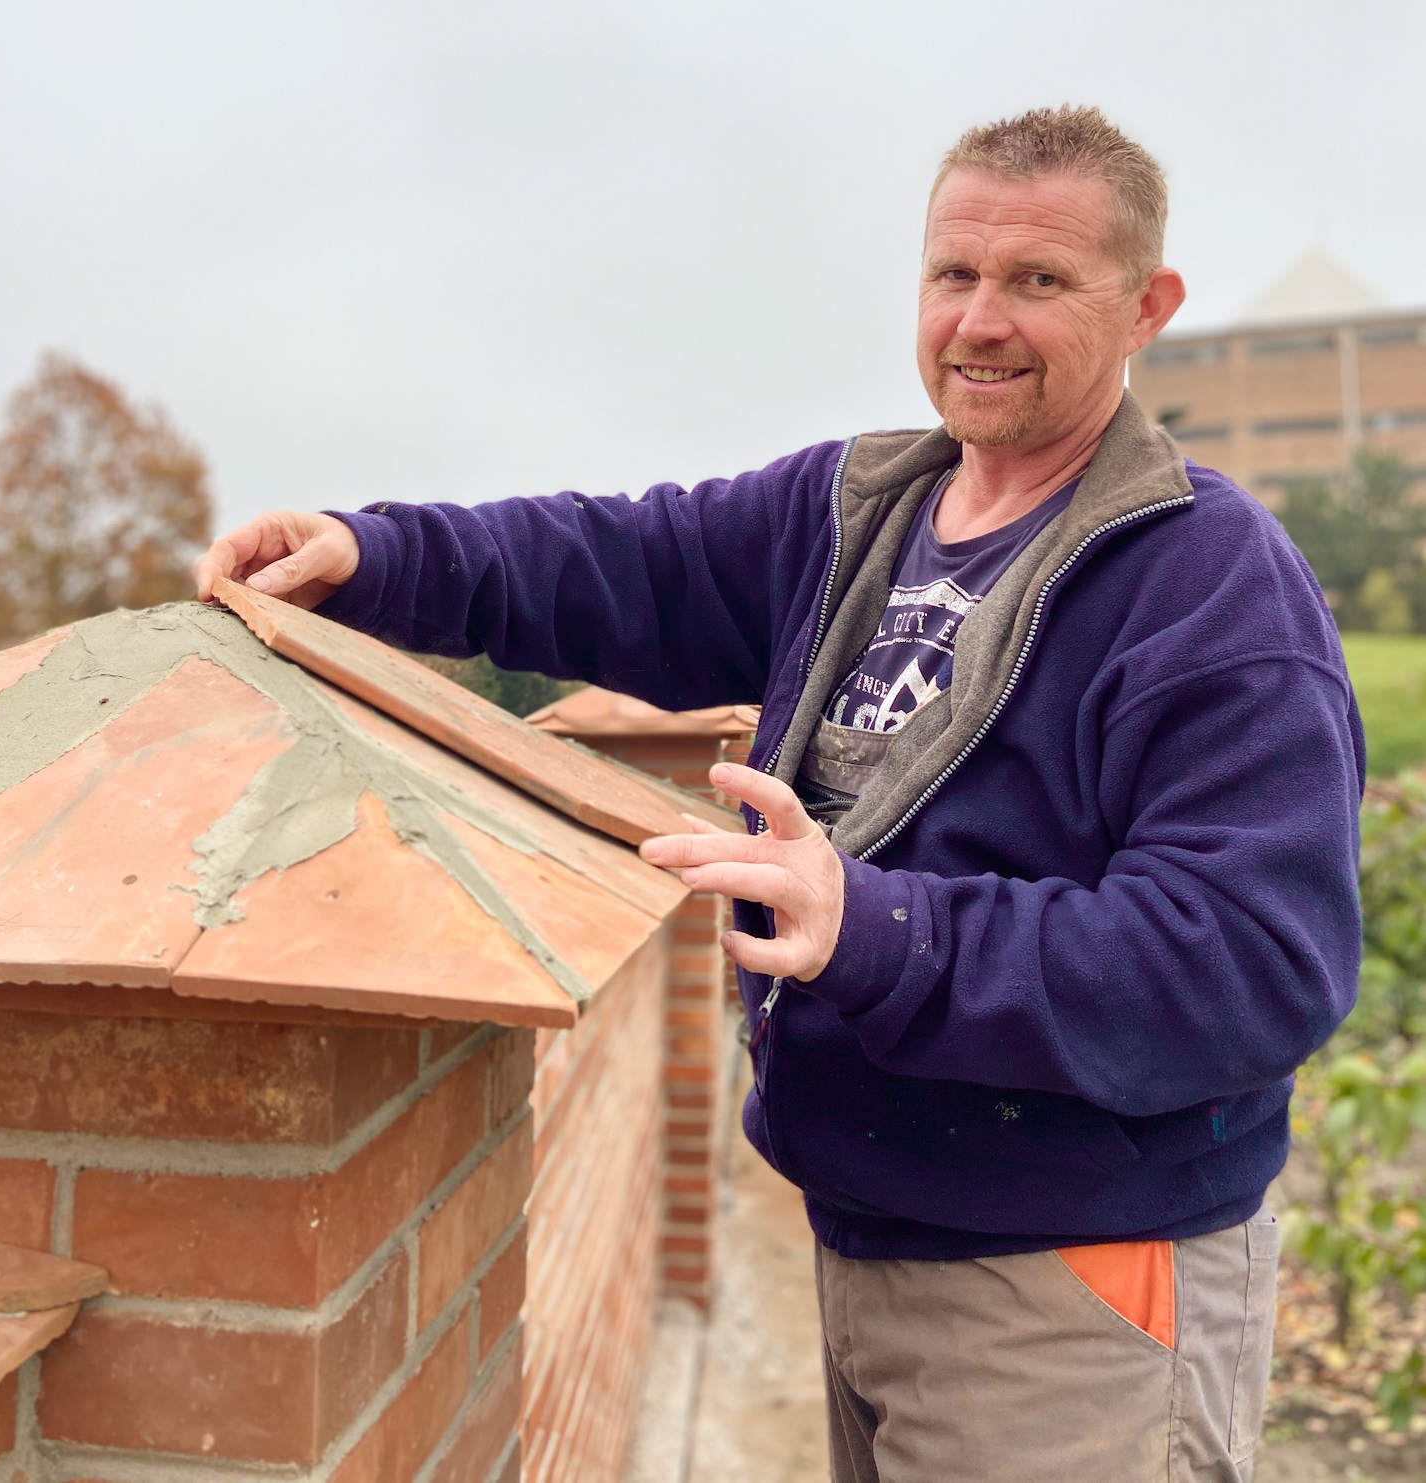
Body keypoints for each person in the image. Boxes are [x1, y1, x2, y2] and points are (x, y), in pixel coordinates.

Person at [194, 106, 1362, 1482]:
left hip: (1077, 1285)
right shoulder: (859, 507)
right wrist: (375, 555)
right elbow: (623, 559)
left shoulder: (1208, 579)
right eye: (952, 276)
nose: (979, 321)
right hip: (866, 1243)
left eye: (1038, 282)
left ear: (1147, 305)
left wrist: (880, 930)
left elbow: (1255, 962)